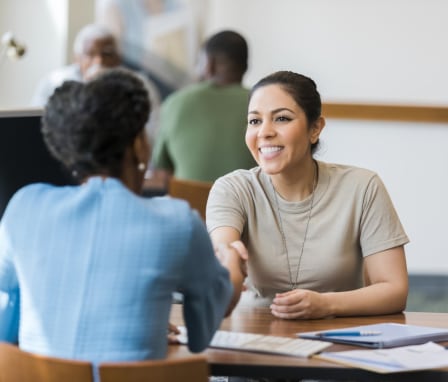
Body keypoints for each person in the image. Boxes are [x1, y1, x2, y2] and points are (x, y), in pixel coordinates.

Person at [0, 68, 246, 366]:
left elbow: (7, 304)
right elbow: (201, 333)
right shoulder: (176, 222)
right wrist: (232, 264)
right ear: (138, 145)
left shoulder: (24, 207)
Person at [207, 70, 409, 319]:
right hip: (254, 334)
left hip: (338, 339)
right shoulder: (232, 188)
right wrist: (229, 262)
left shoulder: (363, 186)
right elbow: (225, 251)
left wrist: (325, 304)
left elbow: (394, 289)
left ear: (315, 129)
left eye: (281, 118)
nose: (264, 132)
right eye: (254, 121)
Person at [149, 30, 257, 188]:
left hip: (189, 207)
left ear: (209, 64)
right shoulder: (262, 104)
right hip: (244, 209)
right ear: (246, 66)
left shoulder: (175, 102)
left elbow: (162, 173)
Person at [31, 23, 161, 145]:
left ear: (119, 57)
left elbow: (153, 132)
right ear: (77, 58)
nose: (99, 61)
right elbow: (38, 127)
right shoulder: (53, 83)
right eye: (90, 54)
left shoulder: (140, 85)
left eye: (107, 54)